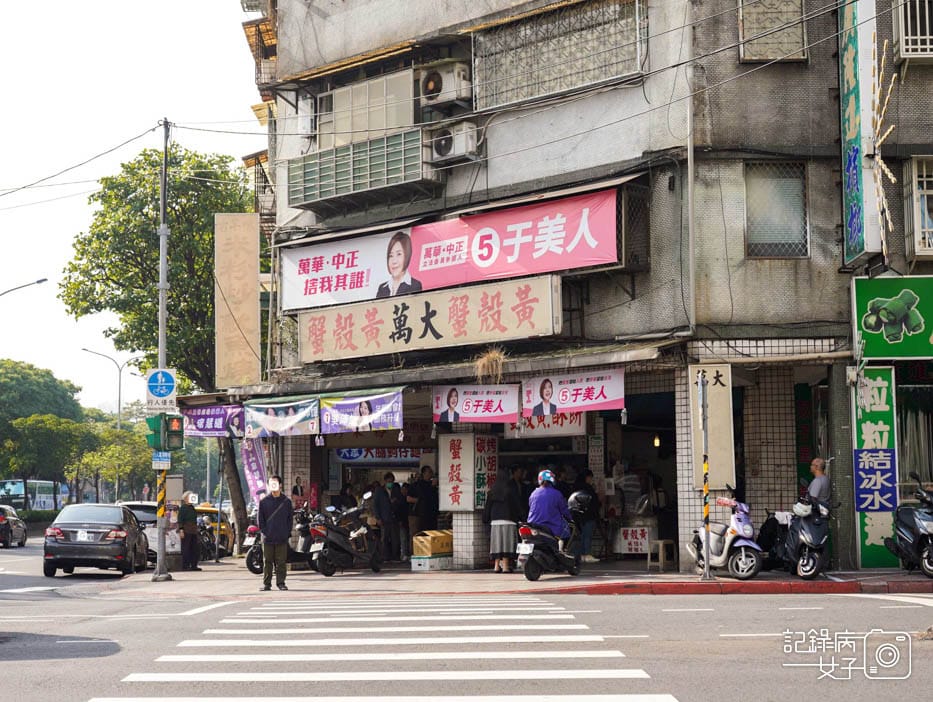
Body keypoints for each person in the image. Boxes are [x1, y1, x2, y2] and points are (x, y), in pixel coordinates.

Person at [257, 475, 294, 591]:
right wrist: (265, 532)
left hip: (282, 537)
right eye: (270, 483)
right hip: (267, 537)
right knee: (267, 561)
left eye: (275, 483)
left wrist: (286, 532)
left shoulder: (286, 502)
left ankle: (281, 583)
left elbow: (290, 519)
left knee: (281, 562)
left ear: (280, 485)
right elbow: (260, 520)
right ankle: (267, 584)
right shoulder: (263, 502)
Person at [483, 467, 522, 573]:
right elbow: (517, 506)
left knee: (497, 543)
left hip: (495, 521)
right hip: (509, 520)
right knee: (506, 543)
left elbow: (488, 507)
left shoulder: (492, 491)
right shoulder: (510, 490)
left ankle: (496, 566)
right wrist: (523, 517)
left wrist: (485, 519)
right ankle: (505, 566)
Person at [527, 469, 572, 547]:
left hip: (533, 527)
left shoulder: (533, 493)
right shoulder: (557, 494)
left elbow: (530, 506)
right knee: (566, 532)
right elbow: (564, 510)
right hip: (551, 529)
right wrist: (571, 518)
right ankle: (561, 550)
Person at [376, 231, 422, 298]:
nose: (394, 261)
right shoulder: (382, 288)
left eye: (399, 254)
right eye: (391, 255)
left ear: (407, 255)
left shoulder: (415, 285)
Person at [573, 469, 601, 563]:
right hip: (589, 515)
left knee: (581, 536)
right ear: (587, 477)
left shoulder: (575, 487)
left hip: (578, 516)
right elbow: (594, 502)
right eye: (590, 478)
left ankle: (581, 555)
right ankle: (587, 554)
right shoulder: (588, 488)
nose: (591, 480)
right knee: (587, 535)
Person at [408, 465, 439, 532]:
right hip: (422, 514)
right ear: (424, 473)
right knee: (422, 533)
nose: (431, 473)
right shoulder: (418, 485)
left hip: (433, 514)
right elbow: (424, 496)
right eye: (429, 472)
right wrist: (432, 487)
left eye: (431, 472)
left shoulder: (433, 485)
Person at [178, 491, 201, 571]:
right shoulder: (183, 508)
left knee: (194, 548)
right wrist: (181, 530)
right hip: (186, 530)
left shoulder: (192, 507)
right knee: (186, 549)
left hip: (193, 530)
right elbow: (180, 520)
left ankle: (194, 565)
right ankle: (186, 565)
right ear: (185, 499)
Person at [398, 481, 411, 561]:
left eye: (405, 489)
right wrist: (399, 520)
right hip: (402, 521)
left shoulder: (408, 499)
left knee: (408, 538)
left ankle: (407, 554)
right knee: (403, 538)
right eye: (402, 489)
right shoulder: (400, 499)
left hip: (408, 520)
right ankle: (403, 555)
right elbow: (398, 511)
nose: (404, 491)